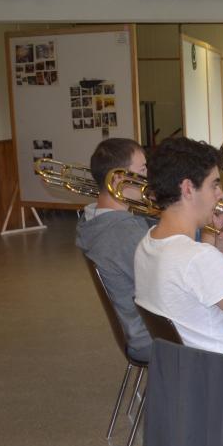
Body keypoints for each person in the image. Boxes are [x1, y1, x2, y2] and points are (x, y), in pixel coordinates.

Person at [133, 138, 223, 370]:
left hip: (193, 373)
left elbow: (204, 292)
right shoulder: (198, 258)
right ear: (187, 189)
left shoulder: (147, 244)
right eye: (214, 185)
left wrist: (222, 240)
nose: (220, 194)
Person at [76, 138, 153, 363]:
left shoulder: (94, 220)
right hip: (152, 336)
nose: (148, 177)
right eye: (143, 169)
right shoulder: (123, 233)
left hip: (137, 330)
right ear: (118, 178)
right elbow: (175, 284)